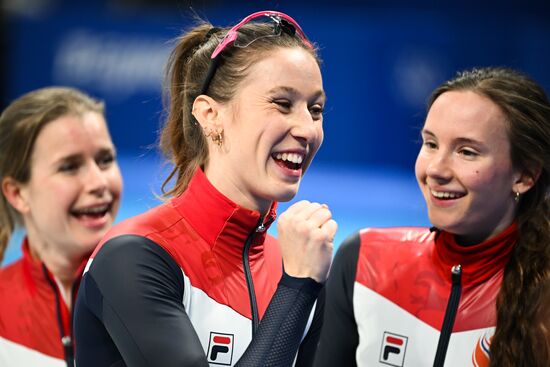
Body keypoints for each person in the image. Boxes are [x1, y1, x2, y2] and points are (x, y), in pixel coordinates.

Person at [73, 10, 336, 367]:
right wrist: (298, 288)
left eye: (316, 109)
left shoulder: (296, 265)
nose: (307, 130)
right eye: (282, 104)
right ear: (210, 115)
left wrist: (301, 283)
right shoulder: (132, 258)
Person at [313, 67, 550, 367]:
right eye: (431, 144)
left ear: (525, 174)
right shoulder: (363, 261)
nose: (436, 169)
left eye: (466, 152)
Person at [0, 86, 123, 367]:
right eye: (69, 167)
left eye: (105, 160)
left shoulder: (164, 285)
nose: (99, 182)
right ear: (18, 194)